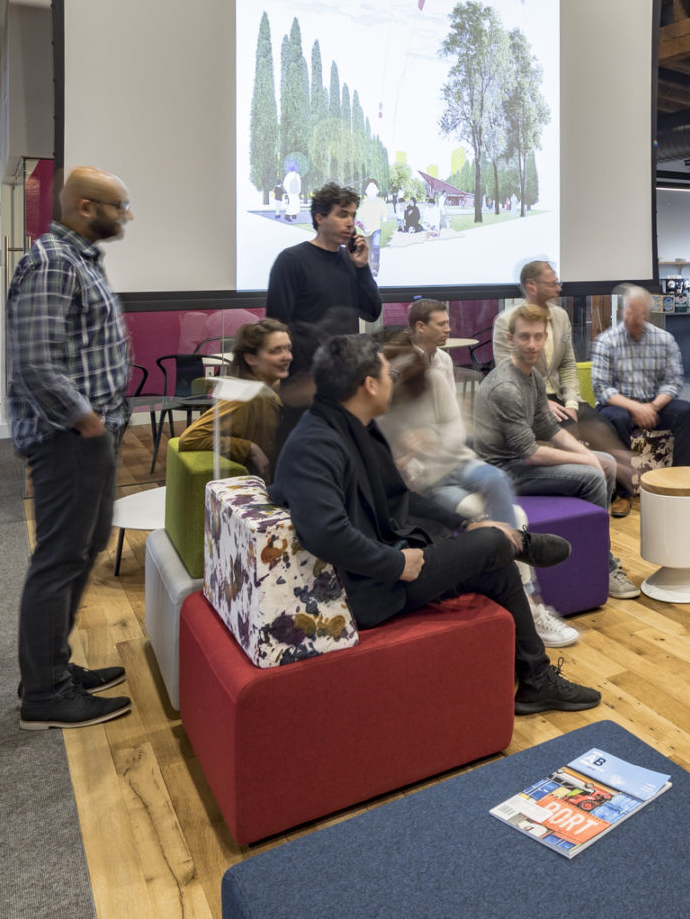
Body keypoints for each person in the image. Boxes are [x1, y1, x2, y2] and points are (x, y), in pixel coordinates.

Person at [270, 335, 600, 715]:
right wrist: (396, 564)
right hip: (369, 589)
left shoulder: (354, 426)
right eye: (386, 372)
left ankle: (536, 680)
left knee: (497, 566)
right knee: (494, 545)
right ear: (370, 385)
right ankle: (517, 542)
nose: (392, 379)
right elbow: (324, 531)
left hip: (385, 563)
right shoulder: (316, 443)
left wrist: (466, 521)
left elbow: (402, 496)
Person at [5, 166, 135, 730]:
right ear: (86, 207)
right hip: (68, 439)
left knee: (85, 548)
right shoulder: (54, 263)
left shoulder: (79, 260)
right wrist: (86, 422)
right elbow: (35, 361)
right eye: (119, 206)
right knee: (59, 558)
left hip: (89, 435)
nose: (126, 216)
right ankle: (45, 694)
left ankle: (52, 668)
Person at [378, 303, 580, 647]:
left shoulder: (435, 372)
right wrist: (410, 455)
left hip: (451, 462)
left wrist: (426, 445)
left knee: (496, 480)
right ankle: (530, 601)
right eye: (391, 370)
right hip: (426, 480)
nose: (398, 375)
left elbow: (455, 432)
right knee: (508, 514)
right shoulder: (381, 401)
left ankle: (524, 592)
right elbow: (392, 464)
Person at [477, 304, 640, 601]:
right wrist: (585, 459)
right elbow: (530, 453)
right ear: (510, 338)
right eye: (525, 337)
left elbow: (550, 429)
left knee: (603, 463)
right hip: (501, 472)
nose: (532, 344)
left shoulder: (533, 377)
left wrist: (590, 455)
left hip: (517, 463)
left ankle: (591, 553)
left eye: (538, 337)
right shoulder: (506, 386)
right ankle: (601, 563)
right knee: (592, 475)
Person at [266, 182, 383, 438]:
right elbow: (277, 326)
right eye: (342, 214)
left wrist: (363, 268)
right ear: (319, 217)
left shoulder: (351, 261)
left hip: (347, 380)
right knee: (307, 455)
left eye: (353, 215)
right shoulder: (292, 261)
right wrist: (303, 376)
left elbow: (372, 312)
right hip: (306, 384)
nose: (351, 222)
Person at [591, 286, 690, 514]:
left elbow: (673, 382)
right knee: (617, 419)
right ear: (622, 311)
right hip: (618, 406)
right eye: (630, 313)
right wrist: (635, 407)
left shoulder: (664, 339)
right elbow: (601, 388)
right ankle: (623, 493)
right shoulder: (606, 341)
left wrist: (652, 407)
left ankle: (679, 480)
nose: (634, 319)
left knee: (687, 412)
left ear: (647, 314)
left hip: (653, 404)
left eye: (640, 314)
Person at [176, 319, 292, 483]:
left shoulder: (268, 389)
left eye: (288, 349)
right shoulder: (246, 396)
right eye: (276, 351)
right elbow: (191, 438)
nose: (286, 356)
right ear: (251, 358)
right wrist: (249, 448)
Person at [492, 259, 580, 425]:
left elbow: (568, 365)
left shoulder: (561, 317)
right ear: (531, 286)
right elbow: (507, 374)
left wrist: (572, 404)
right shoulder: (506, 321)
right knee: (570, 432)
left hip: (562, 397)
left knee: (604, 426)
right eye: (552, 284)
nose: (559, 288)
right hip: (528, 401)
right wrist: (542, 403)